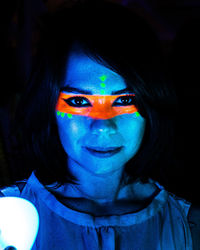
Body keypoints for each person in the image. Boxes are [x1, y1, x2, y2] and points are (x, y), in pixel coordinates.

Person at [0, 1, 199, 249]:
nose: (103, 125)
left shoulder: (187, 225)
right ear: (48, 105)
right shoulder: (7, 218)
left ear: (152, 102)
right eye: (80, 101)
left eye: (125, 100)